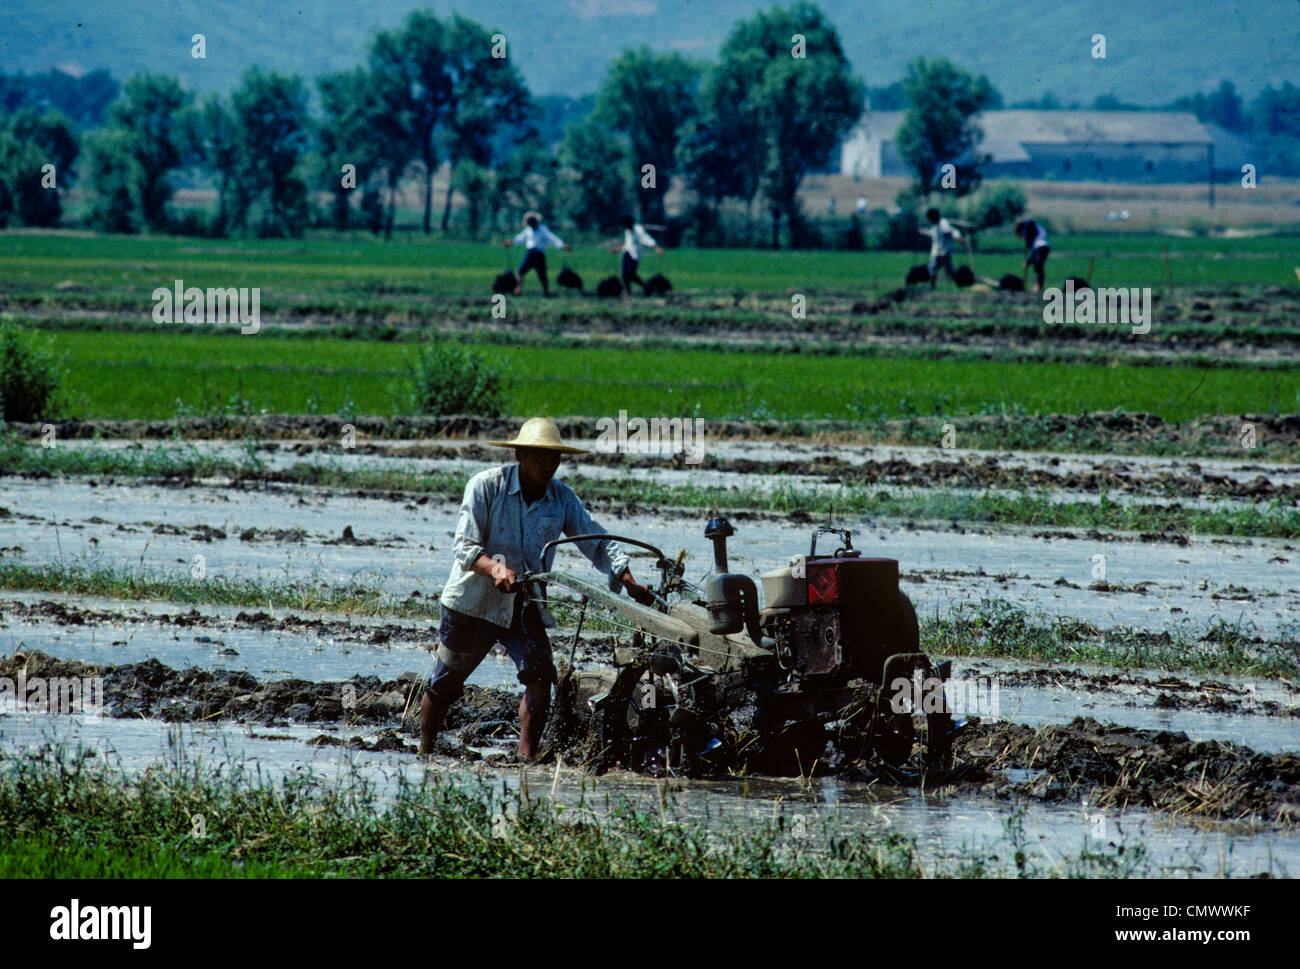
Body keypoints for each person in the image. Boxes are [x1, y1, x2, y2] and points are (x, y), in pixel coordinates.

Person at [420, 417, 655, 761]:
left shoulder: (561, 498)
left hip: (525, 601)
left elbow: (594, 538)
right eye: (541, 456)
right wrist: (496, 567)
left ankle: (526, 759)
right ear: (519, 454)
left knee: (540, 677)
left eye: (554, 458)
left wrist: (625, 574)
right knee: (446, 685)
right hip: (473, 602)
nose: (549, 465)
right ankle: (425, 750)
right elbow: (465, 548)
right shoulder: (486, 486)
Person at [503, 211, 569, 297]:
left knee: (542, 274)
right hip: (530, 253)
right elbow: (519, 239)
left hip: (538, 254)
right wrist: (510, 242)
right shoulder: (528, 230)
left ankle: (546, 292)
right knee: (521, 271)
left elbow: (552, 239)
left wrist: (562, 245)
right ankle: (518, 289)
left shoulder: (543, 229)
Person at [609, 216, 662, 296]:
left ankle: (646, 287)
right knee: (624, 274)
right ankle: (627, 292)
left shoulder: (638, 230)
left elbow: (647, 240)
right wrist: (617, 249)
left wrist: (657, 248)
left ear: (630, 224)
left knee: (631, 274)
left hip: (635, 255)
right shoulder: (627, 231)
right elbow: (627, 243)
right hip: (627, 253)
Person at [920, 207, 963, 289]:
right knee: (932, 268)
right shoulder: (935, 225)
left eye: (930, 218)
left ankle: (960, 283)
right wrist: (924, 232)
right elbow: (933, 234)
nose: (929, 220)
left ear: (934, 217)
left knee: (948, 270)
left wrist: (958, 238)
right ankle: (932, 287)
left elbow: (952, 232)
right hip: (937, 252)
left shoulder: (943, 223)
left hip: (944, 251)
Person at [1015, 218, 1051, 292]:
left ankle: (1039, 286)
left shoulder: (1028, 224)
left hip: (1042, 246)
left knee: (1038, 265)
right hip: (1040, 247)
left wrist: (1027, 243)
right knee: (1037, 266)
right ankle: (1039, 286)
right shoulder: (1030, 228)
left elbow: (1030, 237)